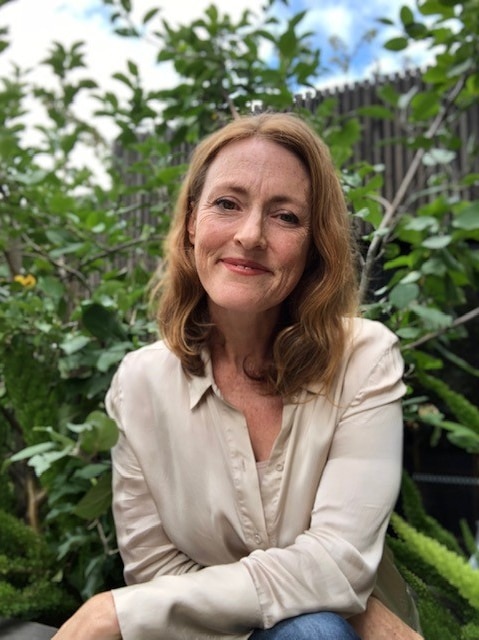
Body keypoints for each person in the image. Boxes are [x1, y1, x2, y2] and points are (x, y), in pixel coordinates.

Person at [53, 112, 422, 639]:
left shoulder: (364, 358)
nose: (250, 236)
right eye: (227, 204)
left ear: (315, 244)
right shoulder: (139, 384)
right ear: (190, 224)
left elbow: (339, 560)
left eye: (286, 217)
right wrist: (336, 598)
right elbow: (158, 571)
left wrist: (109, 612)